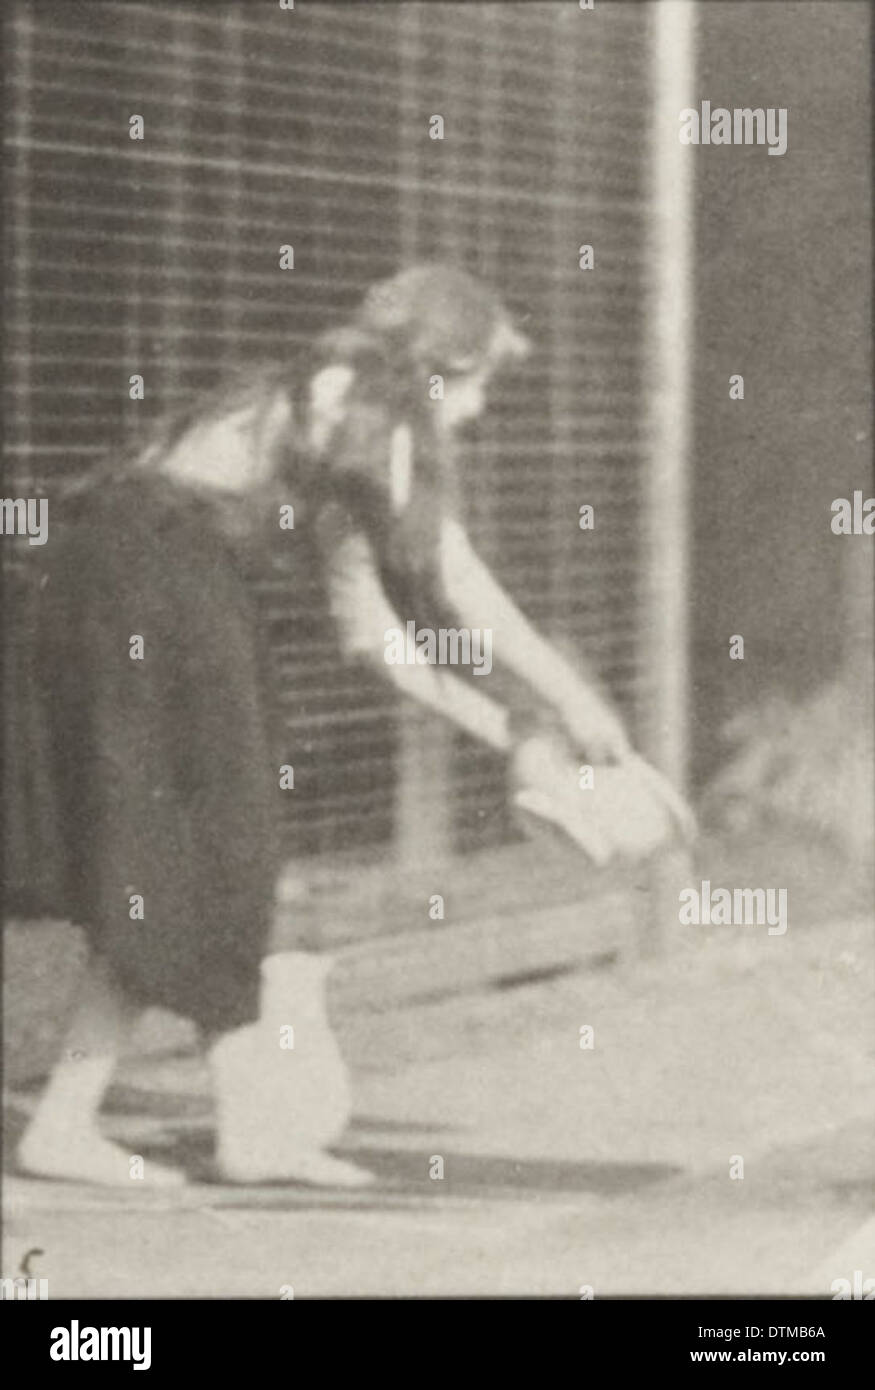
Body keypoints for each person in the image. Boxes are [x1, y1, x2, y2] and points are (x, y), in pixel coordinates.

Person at [14, 263, 663, 1189]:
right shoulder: (368, 414)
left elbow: (376, 641)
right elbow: (458, 583)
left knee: (209, 855)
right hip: (152, 589)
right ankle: (119, 1127)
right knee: (211, 851)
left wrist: (515, 735)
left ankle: (219, 1129)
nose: (477, 413)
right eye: (479, 386)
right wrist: (573, 701)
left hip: (137, 583)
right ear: (437, 367)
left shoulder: (333, 424)